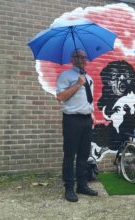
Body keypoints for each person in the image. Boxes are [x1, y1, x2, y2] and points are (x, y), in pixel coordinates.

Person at [56, 49, 98, 202]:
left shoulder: (89, 77)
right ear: (72, 59)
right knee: (69, 155)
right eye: (78, 57)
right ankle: (69, 188)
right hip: (72, 120)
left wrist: (92, 112)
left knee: (83, 154)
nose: (81, 59)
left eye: (83, 57)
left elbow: (88, 99)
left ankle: (82, 185)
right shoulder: (66, 76)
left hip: (87, 120)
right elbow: (60, 97)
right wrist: (77, 84)